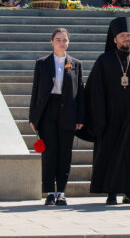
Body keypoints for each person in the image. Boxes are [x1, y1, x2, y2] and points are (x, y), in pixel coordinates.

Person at [79, 17, 130, 205]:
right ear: (115, 39)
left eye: (129, 35)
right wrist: (98, 115)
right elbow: (93, 90)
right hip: (110, 118)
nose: (127, 38)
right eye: (123, 35)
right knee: (110, 153)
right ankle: (111, 192)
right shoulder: (104, 60)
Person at [29, 28, 85, 206]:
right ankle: (49, 192)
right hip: (48, 111)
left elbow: (80, 92)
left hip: (68, 111)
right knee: (49, 153)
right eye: (58, 40)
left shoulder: (75, 64)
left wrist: (80, 117)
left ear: (68, 42)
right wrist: (33, 117)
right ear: (52, 42)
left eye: (65, 40)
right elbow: (36, 90)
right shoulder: (42, 63)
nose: (62, 43)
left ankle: (61, 191)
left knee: (64, 152)